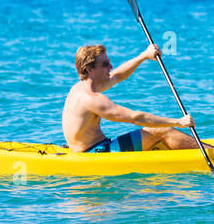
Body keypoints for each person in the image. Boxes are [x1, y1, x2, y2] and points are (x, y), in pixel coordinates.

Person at [62, 43, 201, 153]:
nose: (111, 67)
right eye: (105, 64)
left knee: (158, 137)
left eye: (109, 62)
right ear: (88, 69)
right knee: (162, 130)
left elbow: (118, 75)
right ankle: (212, 154)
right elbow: (135, 117)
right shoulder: (91, 99)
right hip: (97, 152)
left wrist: (144, 56)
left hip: (88, 148)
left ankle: (204, 149)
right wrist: (178, 122)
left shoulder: (79, 88)